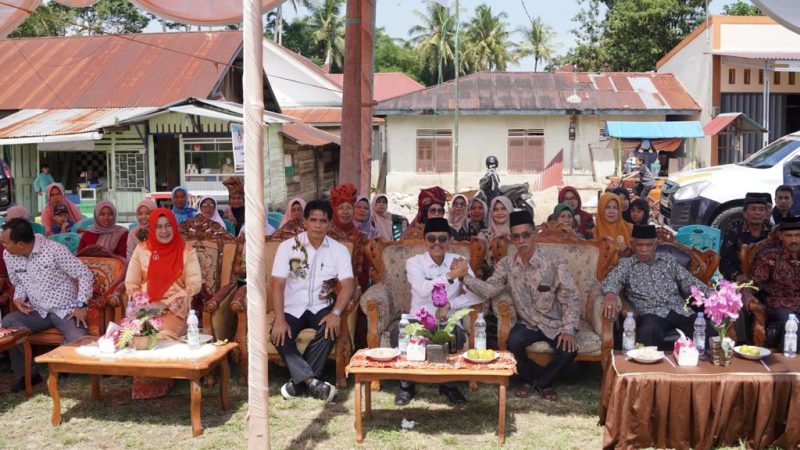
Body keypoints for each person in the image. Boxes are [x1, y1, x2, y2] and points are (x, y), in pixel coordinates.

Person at [454, 210, 580, 401]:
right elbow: (489, 289)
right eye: (516, 236)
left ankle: (545, 382)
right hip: (528, 322)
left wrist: (569, 328)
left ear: (534, 235)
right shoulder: (506, 264)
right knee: (512, 342)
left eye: (526, 235)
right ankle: (527, 380)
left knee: (570, 349)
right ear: (512, 239)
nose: (521, 241)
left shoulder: (554, 262)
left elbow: (570, 296)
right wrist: (464, 277)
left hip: (555, 322)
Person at [393, 217, 484, 406]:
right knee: (399, 334)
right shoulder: (414, 263)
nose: (437, 243)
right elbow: (422, 289)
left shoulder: (459, 262)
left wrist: (451, 304)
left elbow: (478, 294)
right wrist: (451, 276)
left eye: (442, 239)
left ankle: (449, 385)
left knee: (455, 337)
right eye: (432, 239)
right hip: (417, 321)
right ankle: (406, 385)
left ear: (449, 241)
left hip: (447, 321)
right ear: (425, 240)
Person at [271, 200, 354, 402]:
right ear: (305, 222)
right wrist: (280, 320)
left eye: (323, 221)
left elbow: (348, 284)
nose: (318, 225)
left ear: (330, 224)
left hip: (321, 306)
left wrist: (335, 314)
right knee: (278, 334)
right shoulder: (288, 247)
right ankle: (311, 382)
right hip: (293, 306)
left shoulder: (339, 250)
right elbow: (277, 284)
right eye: (313, 220)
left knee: (329, 329)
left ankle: (298, 382)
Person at [1, 218, 94, 393]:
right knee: (9, 324)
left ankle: (64, 369)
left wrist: (81, 305)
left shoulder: (54, 250)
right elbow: (19, 282)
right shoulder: (9, 256)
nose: (3, 246)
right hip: (37, 311)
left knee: (78, 340)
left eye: (5, 242)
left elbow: (84, 274)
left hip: (65, 309)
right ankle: (28, 375)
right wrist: (18, 297)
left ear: (20, 244)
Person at [125, 208, 202, 398]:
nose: (164, 231)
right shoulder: (141, 250)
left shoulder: (186, 251)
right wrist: (142, 303)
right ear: (152, 228)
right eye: (158, 227)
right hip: (145, 308)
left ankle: (158, 383)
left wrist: (164, 304)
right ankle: (142, 380)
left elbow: (194, 285)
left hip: (173, 309)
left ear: (174, 227)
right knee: (132, 335)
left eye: (168, 225)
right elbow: (131, 283)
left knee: (161, 337)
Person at [602, 225, 711, 348]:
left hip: (679, 309)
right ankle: (646, 366)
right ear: (632, 245)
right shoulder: (627, 264)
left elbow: (689, 282)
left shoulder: (668, 261)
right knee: (648, 331)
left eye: (648, 245)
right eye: (640, 245)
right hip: (651, 313)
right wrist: (610, 294)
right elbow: (613, 279)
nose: (644, 249)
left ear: (655, 245)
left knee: (706, 329)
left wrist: (714, 295)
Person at [749, 217, 800, 348]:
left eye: (797, 235)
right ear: (780, 235)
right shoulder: (768, 256)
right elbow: (754, 283)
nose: (794, 240)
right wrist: (748, 297)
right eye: (789, 235)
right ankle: (792, 364)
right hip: (779, 303)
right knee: (793, 324)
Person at [719, 193, 772, 281]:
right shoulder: (733, 232)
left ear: (766, 213)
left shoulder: (772, 232)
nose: (757, 213)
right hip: (741, 280)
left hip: (767, 281)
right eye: (753, 209)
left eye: (761, 209)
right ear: (744, 213)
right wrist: (737, 276)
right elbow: (724, 262)